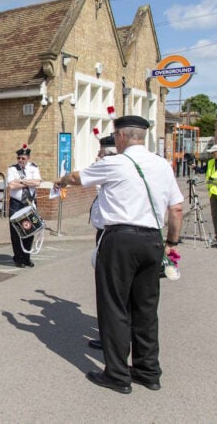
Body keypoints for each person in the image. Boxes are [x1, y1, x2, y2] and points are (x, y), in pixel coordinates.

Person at [55, 116, 183, 394]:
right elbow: (176, 209)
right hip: (153, 239)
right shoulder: (162, 165)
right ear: (143, 137)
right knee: (146, 309)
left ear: (121, 137)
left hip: (121, 239)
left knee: (114, 307)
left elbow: (78, 178)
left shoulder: (116, 162)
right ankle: (148, 371)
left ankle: (116, 374)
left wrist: (63, 178)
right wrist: (172, 242)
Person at [87, 133, 117, 351]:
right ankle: (111, 335)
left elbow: (78, 177)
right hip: (108, 232)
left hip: (112, 233)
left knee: (109, 289)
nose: (97, 155)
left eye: (100, 151)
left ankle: (112, 338)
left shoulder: (110, 167)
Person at [7, 144, 42, 268]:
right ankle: (18, 258)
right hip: (16, 203)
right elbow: (11, 186)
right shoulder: (12, 169)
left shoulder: (34, 168)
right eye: (19, 158)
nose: (21, 160)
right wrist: (28, 183)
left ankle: (27, 257)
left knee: (29, 229)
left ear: (28, 158)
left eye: (23, 158)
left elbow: (37, 182)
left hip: (29, 202)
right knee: (16, 231)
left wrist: (20, 182)